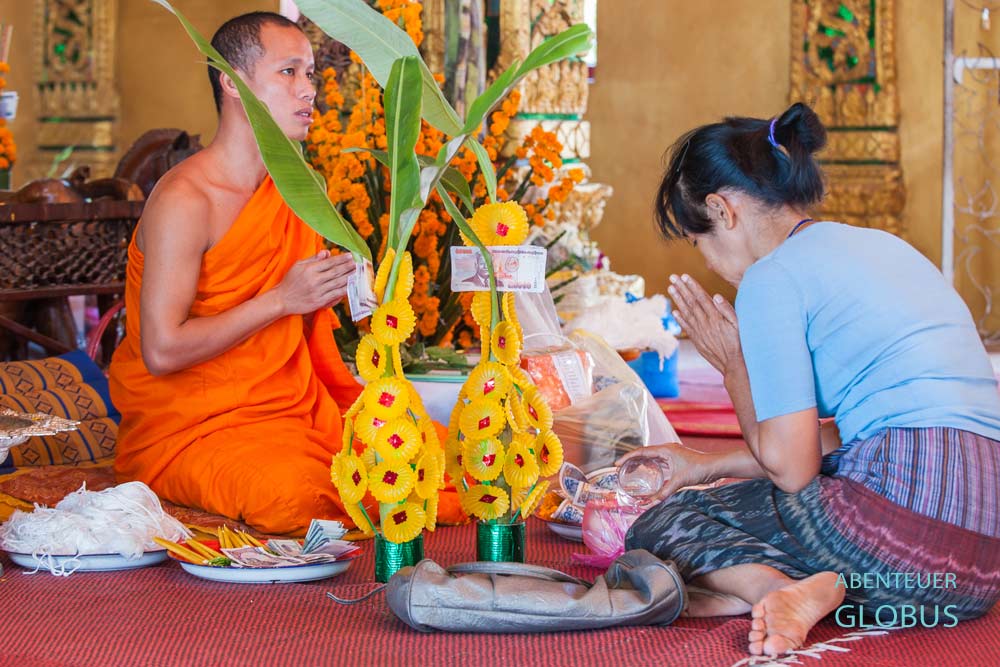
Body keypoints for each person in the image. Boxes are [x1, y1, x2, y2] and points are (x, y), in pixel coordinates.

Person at [620, 102, 1000, 656]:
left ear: (721, 209)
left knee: (665, 523)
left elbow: (793, 471)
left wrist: (734, 367)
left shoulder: (773, 277)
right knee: (793, 484)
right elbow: (847, 438)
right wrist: (705, 464)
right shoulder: (886, 249)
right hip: (971, 574)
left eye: (697, 240)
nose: (706, 261)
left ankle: (774, 589)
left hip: (896, 538)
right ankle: (823, 587)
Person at [109, 12, 463, 536]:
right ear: (232, 81)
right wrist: (281, 299)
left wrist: (347, 284)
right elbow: (162, 351)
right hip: (192, 429)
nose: (307, 90)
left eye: (312, 74)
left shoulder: (297, 191)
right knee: (295, 498)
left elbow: (300, 324)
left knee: (436, 455)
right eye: (289, 72)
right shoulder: (186, 200)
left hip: (292, 411)